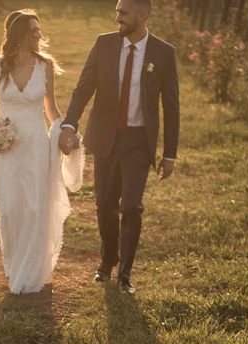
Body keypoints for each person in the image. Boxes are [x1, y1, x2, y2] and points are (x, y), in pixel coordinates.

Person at [59, 0, 179, 294]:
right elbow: (84, 87)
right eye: (116, 12)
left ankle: (125, 274)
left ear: (142, 14)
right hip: (106, 138)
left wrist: (170, 154)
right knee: (105, 206)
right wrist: (69, 124)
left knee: (132, 207)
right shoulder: (104, 45)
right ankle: (107, 260)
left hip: (139, 142)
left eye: (123, 13)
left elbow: (171, 106)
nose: (117, 19)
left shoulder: (163, 53)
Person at [0, 9, 84, 295]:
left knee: (35, 207)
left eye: (40, 30)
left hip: (36, 145)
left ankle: (30, 273)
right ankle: (14, 266)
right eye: (34, 31)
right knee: (11, 208)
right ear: (20, 36)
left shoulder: (45, 66)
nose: (40, 35)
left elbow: (51, 109)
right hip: (7, 147)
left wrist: (66, 131)